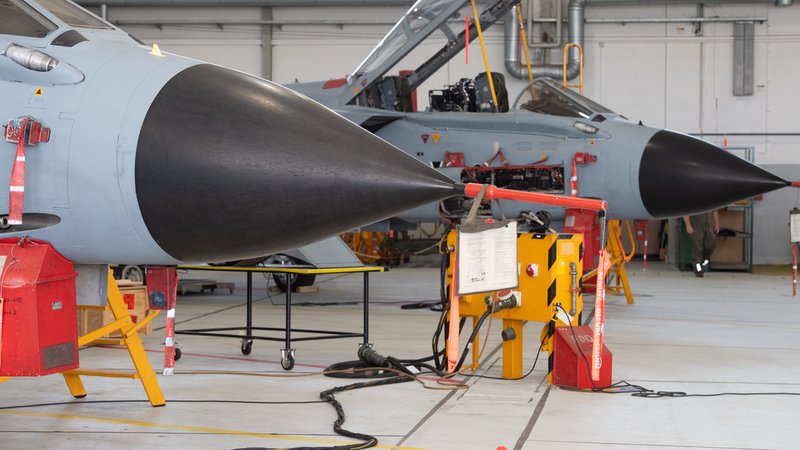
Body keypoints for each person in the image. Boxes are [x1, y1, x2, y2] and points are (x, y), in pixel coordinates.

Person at [683, 210, 720, 277]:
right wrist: (688, 225)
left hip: (709, 225)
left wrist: (717, 224)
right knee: (697, 248)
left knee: (711, 244)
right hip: (696, 226)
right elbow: (686, 211)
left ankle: (705, 259)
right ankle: (698, 270)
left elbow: (715, 211)